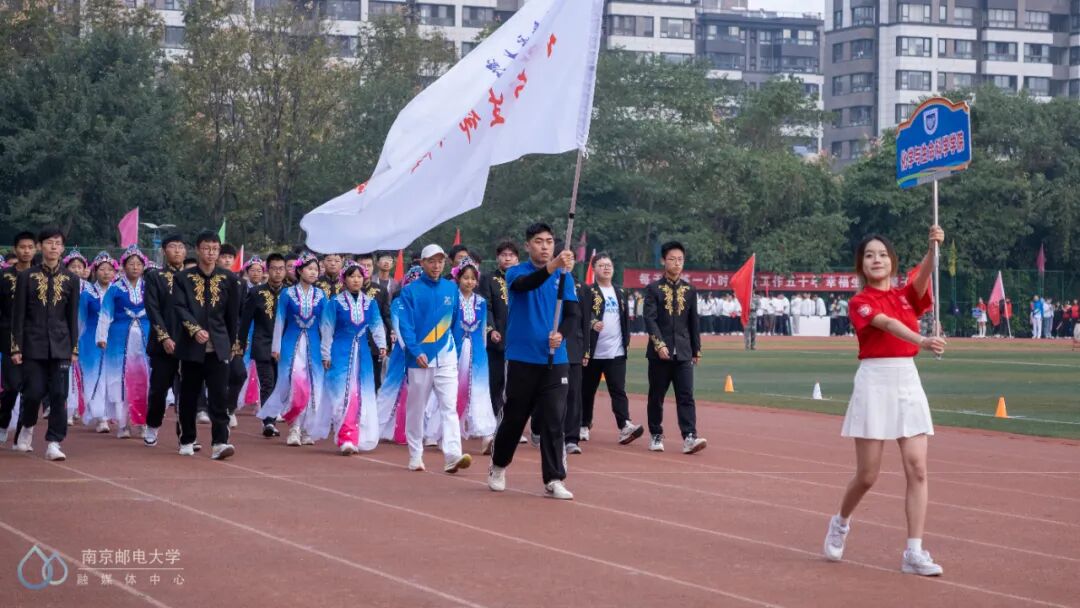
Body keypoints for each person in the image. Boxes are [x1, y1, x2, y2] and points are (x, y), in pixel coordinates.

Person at [823, 225, 947, 576]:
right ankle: (840, 521)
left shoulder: (906, 295)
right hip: (875, 382)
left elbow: (923, 277)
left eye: (882, 255)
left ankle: (914, 552)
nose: (876, 260)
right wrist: (922, 340)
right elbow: (888, 325)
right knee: (867, 475)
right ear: (861, 265)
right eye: (869, 256)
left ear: (892, 261)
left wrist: (933, 248)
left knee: (917, 468)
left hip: (907, 379)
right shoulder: (860, 302)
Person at [487, 223, 578, 500]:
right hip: (521, 358)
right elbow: (528, 284)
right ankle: (498, 465)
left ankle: (554, 478)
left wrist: (561, 334)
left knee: (554, 419)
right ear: (528, 246)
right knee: (515, 418)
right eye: (539, 241)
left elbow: (573, 315)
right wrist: (554, 266)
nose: (545, 246)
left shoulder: (565, 276)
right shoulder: (516, 272)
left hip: (555, 359)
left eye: (549, 241)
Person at [397, 245, 472, 474]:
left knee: (449, 407)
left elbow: (456, 323)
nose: (436, 265)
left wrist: (455, 352)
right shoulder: (410, 291)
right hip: (419, 359)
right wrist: (415, 350)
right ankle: (415, 454)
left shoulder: (451, 288)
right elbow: (405, 325)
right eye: (432, 261)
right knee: (417, 409)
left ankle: (452, 455)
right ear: (422, 263)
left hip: (446, 357)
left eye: (440, 261)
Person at [9, 228, 81, 461]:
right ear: (40, 247)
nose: (53, 247)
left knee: (59, 394)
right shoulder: (27, 277)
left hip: (61, 345)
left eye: (57, 243)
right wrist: (16, 347)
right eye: (49, 243)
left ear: (63, 248)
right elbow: (18, 315)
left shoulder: (71, 279)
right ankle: (27, 426)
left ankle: (54, 442)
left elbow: (72, 316)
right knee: (33, 393)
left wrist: (73, 348)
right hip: (33, 344)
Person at [173, 231, 241, 460]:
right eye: (206, 248)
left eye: (215, 249)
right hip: (191, 348)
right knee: (189, 396)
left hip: (218, 348)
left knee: (219, 396)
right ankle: (187, 439)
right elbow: (179, 308)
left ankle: (220, 442)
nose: (211, 253)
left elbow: (233, 315)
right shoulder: (183, 278)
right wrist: (194, 329)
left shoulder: (229, 279)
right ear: (197, 249)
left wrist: (230, 343)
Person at [426, 257, 498, 453]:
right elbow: (444, 326)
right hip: (453, 352)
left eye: (473, 278)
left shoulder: (481, 302)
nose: (469, 282)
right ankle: (442, 434)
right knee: (450, 392)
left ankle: (487, 435)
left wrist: (482, 351)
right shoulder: (451, 300)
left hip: (477, 354)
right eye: (465, 278)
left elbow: (482, 330)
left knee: (480, 391)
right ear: (458, 278)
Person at [642, 241, 707, 455]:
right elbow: (650, 319)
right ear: (663, 261)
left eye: (680, 259)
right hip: (659, 354)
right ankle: (656, 433)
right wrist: (659, 344)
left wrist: (696, 349)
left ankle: (689, 436)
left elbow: (693, 321)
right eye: (672, 259)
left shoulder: (690, 290)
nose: (677, 263)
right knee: (657, 396)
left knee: (686, 395)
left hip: (684, 352)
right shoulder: (653, 289)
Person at [256, 252, 327, 447]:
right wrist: (276, 347)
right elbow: (279, 321)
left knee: (313, 387)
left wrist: (327, 350)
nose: (313, 272)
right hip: (290, 345)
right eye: (309, 269)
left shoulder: (321, 295)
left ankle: (307, 429)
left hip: (314, 345)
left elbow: (326, 324)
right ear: (300, 270)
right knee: (295, 385)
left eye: (316, 269)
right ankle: (294, 427)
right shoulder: (287, 294)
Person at [316, 261, 386, 455]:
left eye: (359, 276)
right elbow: (327, 329)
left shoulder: (370, 303)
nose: (356, 280)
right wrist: (325, 353)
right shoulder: (334, 303)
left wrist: (382, 345)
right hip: (340, 352)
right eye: (352, 276)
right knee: (342, 395)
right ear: (344, 279)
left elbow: (377, 325)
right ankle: (345, 437)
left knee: (360, 394)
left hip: (363, 354)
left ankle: (353, 437)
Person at [581, 253, 643, 445]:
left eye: (608, 265)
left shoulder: (620, 291)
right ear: (593, 269)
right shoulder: (588, 291)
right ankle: (583, 424)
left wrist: (626, 342)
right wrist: (592, 323)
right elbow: (582, 314)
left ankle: (625, 425)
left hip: (616, 351)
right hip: (593, 352)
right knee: (587, 390)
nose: (606, 268)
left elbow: (625, 320)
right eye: (601, 265)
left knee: (618, 390)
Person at [95, 245, 151, 440]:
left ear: (143, 267)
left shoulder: (149, 287)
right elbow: (105, 313)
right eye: (131, 264)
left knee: (144, 380)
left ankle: (142, 422)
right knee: (119, 380)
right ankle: (123, 424)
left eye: (138, 264)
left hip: (145, 337)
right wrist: (101, 336)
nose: (135, 267)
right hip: (119, 338)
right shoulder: (115, 288)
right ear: (123, 266)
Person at [143, 235, 187, 449]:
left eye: (180, 247)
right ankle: (152, 425)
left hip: (188, 344)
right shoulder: (155, 277)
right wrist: (165, 337)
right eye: (172, 247)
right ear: (164, 251)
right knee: (159, 390)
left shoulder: (192, 277)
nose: (177, 251)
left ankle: (186, 435)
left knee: (186, 392)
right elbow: (152, 309)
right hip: (163, 345)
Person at [240, 253, 287, 437]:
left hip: (284, 346)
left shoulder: (290, 293)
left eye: (281, 269)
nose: (278, 272)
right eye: (274, 268)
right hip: (262, 343)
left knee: (280, 383)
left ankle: (275, 416)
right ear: (268, 270)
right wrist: (240, 342)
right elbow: (245, 320)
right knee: (267, 382)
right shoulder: (256, 293)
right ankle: (268, 421)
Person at [376, 265, 423, 444]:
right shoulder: (398, 303)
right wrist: (410, 349)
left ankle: (413, 429)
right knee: (391, 387)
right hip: (403, 353)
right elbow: (398, 328)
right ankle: (378, 427)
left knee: (417, 390)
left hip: (422, 353)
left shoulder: (426, 304)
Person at [0, 231, 35, 447]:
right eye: (22, 247)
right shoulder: (4, 277)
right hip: (7, 338)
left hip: (35, 339)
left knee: (31, 390)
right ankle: (3, 423)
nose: (26, 251)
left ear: (36, 249)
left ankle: (21, 436)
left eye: (30, 247)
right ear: (15, 249)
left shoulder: (40, 276)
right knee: (12, 386)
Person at [478, 241, 517, 420]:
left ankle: (511, 421)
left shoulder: (522, 279)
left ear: (517, 259)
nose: (507, 258)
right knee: (496, 381)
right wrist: (491, 329)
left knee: (516, 384)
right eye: (504, 255)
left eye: (511, 255)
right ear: (497, 258)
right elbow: (486, 307)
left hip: (519, 340)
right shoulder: (488, 279)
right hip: (497, 339)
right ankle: (494, 419)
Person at [79, 253, 116, 433]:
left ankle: (111, 413)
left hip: (115, 338)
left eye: (110, 270)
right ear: (94, 271)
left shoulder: (118, 292)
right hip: (90, 339)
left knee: (112, 376)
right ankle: (100, 417)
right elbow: (80, 319)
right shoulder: (87, 293)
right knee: (95, 376)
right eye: (102, 269)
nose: (106, 273)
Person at [62, 249, 89, 425]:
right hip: (66, 334)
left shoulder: (90, 288)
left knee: (85, 372)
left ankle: (82, 407)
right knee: (69, 372)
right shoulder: (62, 285)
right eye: (73, 266)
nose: (77, 269)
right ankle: (69, 411)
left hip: (86, 335)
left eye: (80, 266)